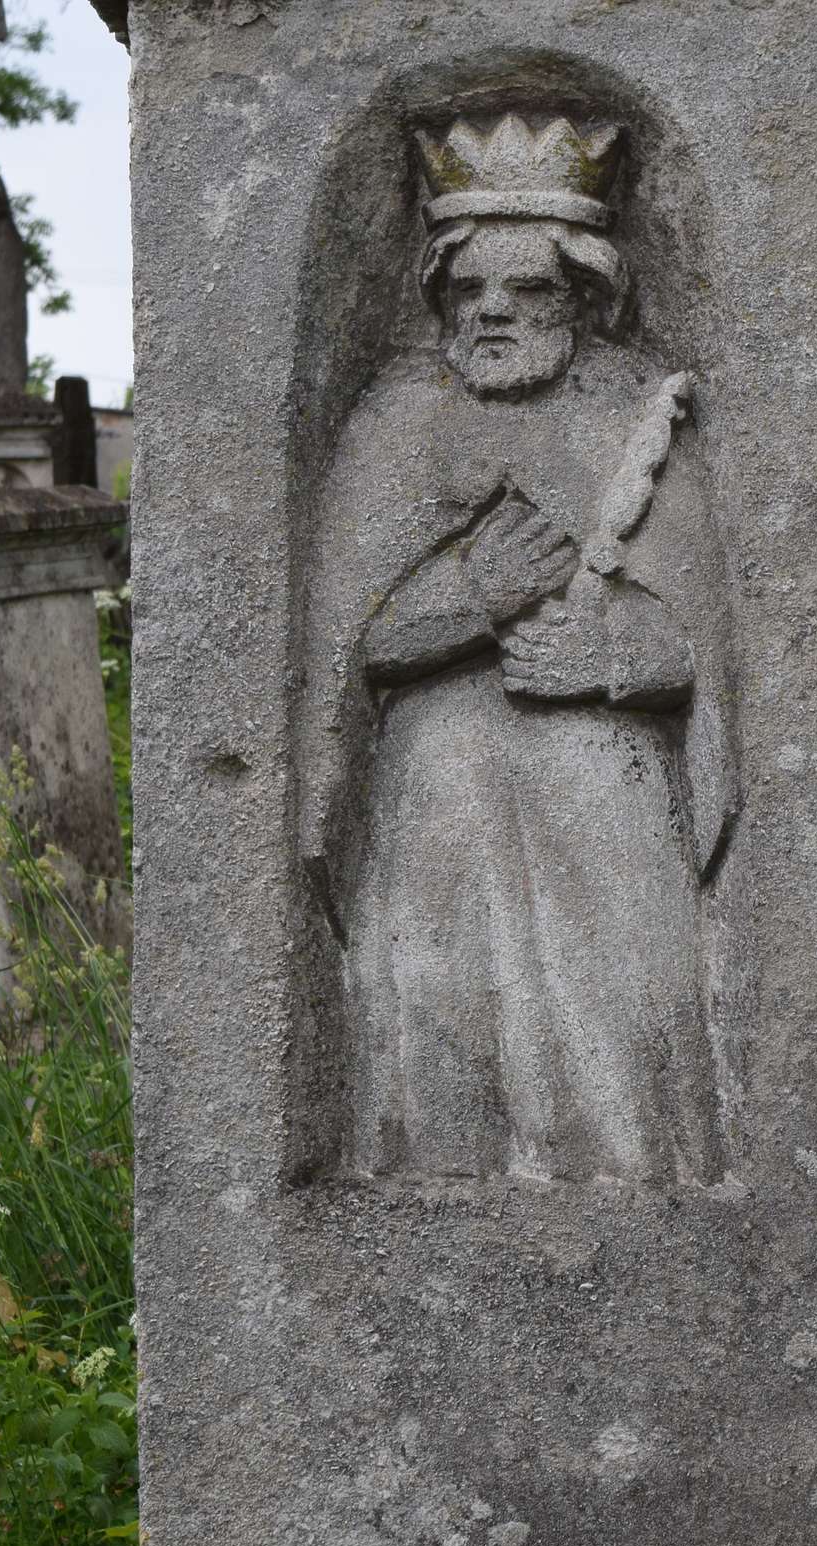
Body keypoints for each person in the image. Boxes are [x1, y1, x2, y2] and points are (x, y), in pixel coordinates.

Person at [300, 114, 735, 1183]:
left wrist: (616, 658)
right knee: (444, 1008)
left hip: (608, 793)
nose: (493, 310)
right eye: (469, 292)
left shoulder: (640, 419)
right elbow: (349, 653)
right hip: (438, 797)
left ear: (583, 298)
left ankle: (641, 1189)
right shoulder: (397, 425)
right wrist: (470, 596)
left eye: (528, 290)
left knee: (622, 1021)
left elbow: (705, 651)